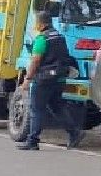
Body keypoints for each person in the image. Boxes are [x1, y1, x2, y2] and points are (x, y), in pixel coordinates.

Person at [18, 11, 81, 151]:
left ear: (41, 24)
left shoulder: (42, 39)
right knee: (57, 107)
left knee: (37, 109)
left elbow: (35, 60)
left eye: (36, 22)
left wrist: (27, 79)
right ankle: (74, 132)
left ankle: (32, 141)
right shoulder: (60, 37)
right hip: (59, 78)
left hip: (44, 79)